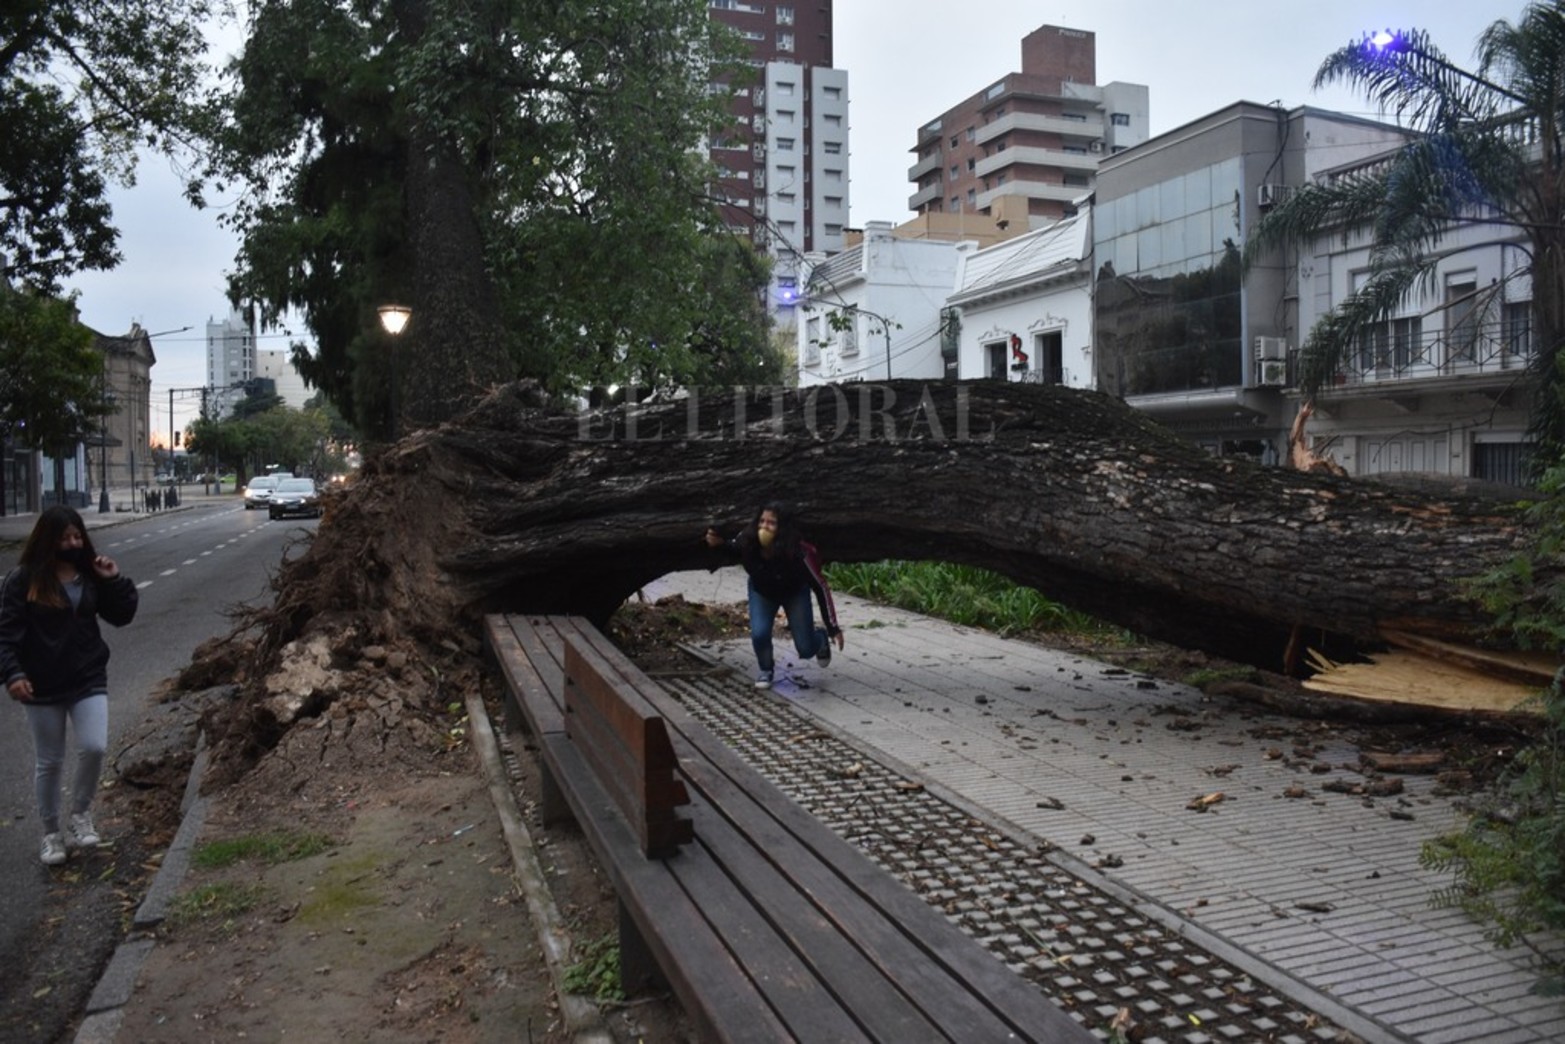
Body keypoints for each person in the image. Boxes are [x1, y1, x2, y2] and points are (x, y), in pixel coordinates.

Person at [0, 506, 139, 865]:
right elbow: (7, 635)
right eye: (64, 538)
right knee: (49, 761)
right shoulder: (23, 580)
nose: (73, 543)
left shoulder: (89, 574)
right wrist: (13, 674)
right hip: (41, 683)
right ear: (48, 540)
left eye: (77, 536)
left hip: (87, 676)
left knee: (94, 746)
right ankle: (51, 835)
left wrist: (113, 580)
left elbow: (121, 616)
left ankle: (80, 814)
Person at [705, 501, 843, 690]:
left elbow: (821, 587)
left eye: (771, 523)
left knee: (805, 648)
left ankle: (820, 640)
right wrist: (717, 543)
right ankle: (766, 669)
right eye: (762, 521)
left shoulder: (798, 552)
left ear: (782, 527)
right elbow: (732, 548)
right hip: (762, 592)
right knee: (759, 634)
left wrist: (833, 627)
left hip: (794, 593)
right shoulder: (748, 540)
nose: (764, 527)